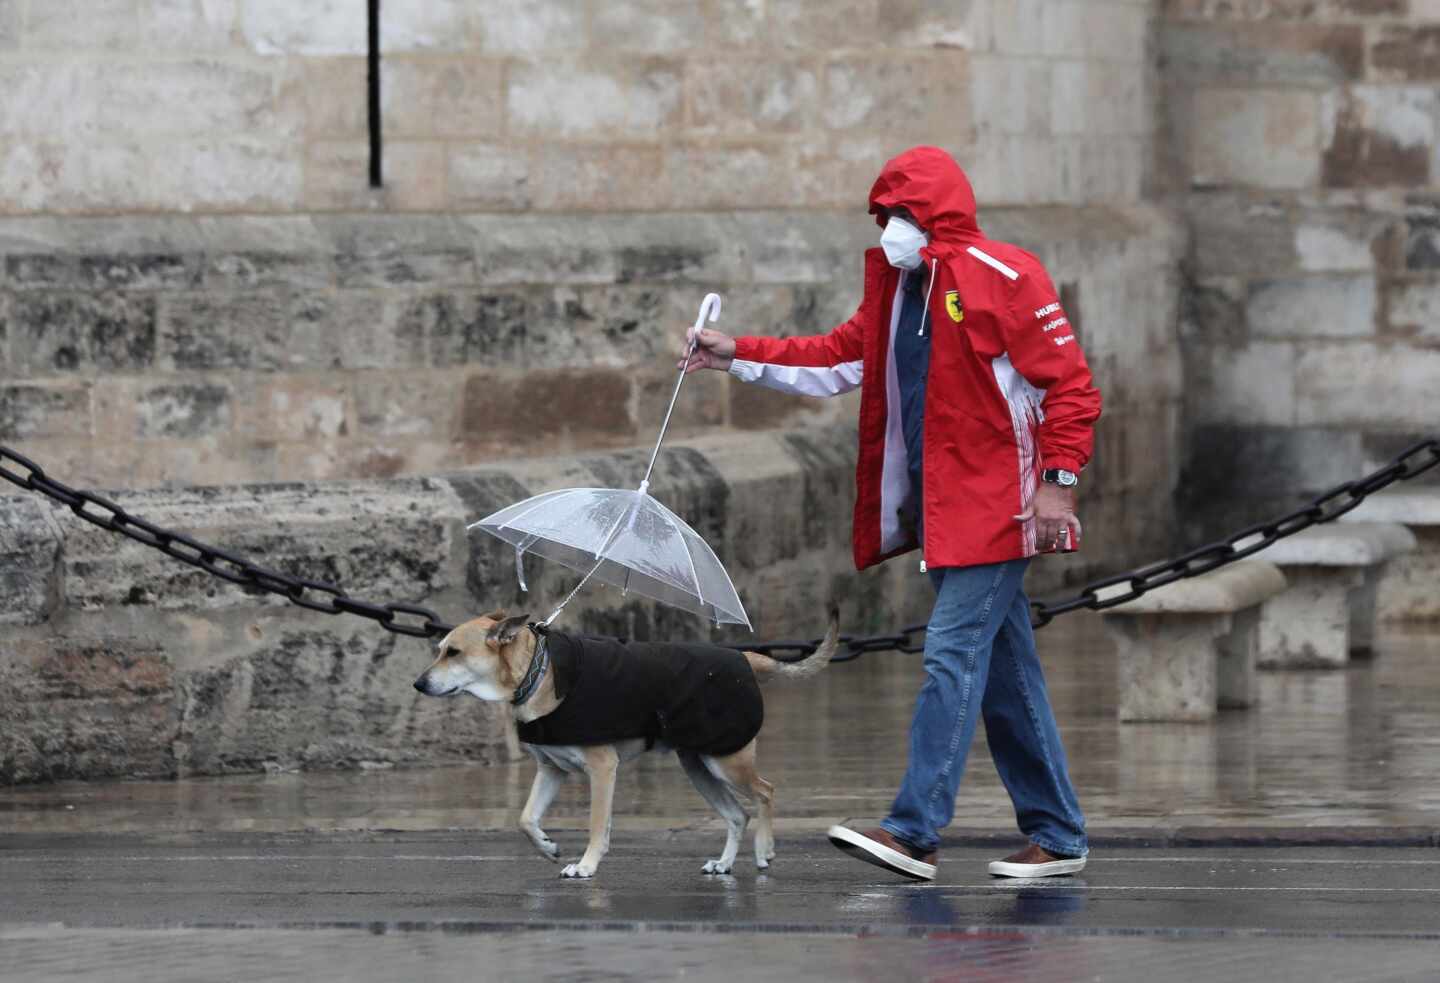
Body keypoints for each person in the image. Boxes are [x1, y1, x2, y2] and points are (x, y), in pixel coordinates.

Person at [680, 146, 1101, 882]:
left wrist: (1058, 483)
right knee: (1006, 671)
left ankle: (915, 829)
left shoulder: (1007, 276)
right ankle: (1057, 831)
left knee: (950, 655)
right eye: (885, 216)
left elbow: (1069, 386)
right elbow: (839, 358)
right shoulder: (898, 288)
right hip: (944, 509)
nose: (890, 229)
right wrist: (736, 353)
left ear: (934, 216)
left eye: (902, 214)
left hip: (1000, 505)